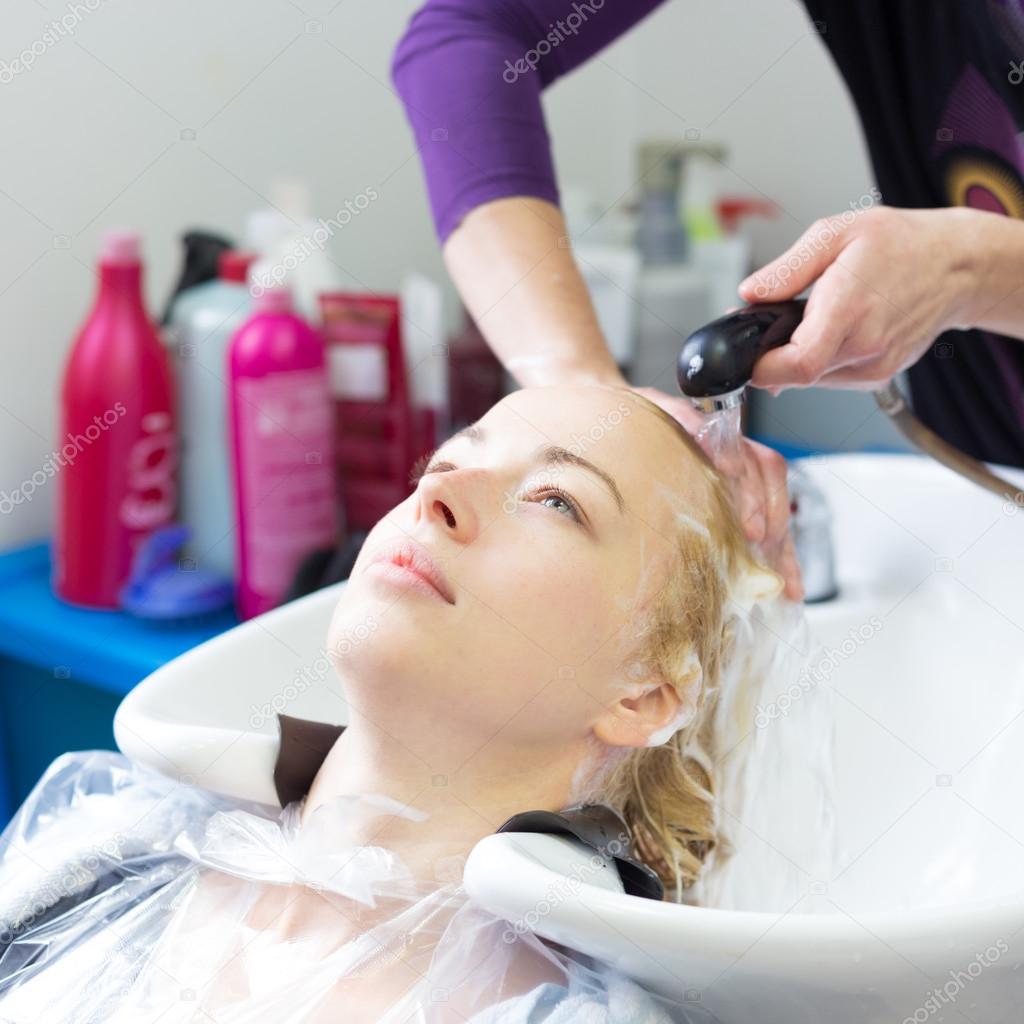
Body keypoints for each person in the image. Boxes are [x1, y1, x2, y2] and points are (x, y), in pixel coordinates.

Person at [0, 385, 786, 1022]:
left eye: (555, 500)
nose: (439, 491)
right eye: (445, 459)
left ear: (644, 694)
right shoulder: (107, 851)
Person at [391, 0, 1024, 586]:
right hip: (986, 495)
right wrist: (578, 384)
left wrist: (972, 271)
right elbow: (467, 38)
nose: (432, 501)